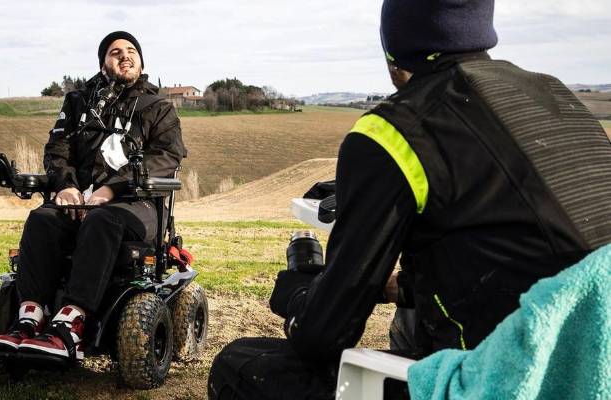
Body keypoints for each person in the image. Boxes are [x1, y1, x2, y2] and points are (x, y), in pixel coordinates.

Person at [208, 0, 611, 398]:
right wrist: (394, 288)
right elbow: (526, 251)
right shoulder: (555, 95)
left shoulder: (395, 129)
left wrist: (300, 296)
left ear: (392, 50)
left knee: (242, 365)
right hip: (592, 357)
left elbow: (323, 338)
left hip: (520, 376)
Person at [0, 31, 186, 361]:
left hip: (136, 205)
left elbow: (166, 158)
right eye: (115, 52)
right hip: (79, 199)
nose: (125, 55)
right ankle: (29, 316)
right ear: (102, 62)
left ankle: (71, 324)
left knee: (102, 218)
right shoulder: (79, 102)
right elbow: (57, 150)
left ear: (140, 60)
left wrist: (112, 189)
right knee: (42, 218)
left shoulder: (159, 109)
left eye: (131, 50)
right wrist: (65, 186)